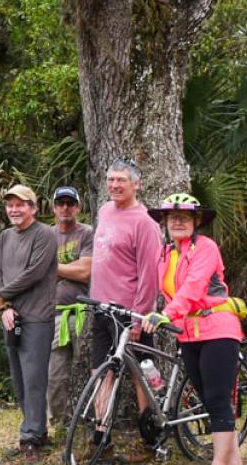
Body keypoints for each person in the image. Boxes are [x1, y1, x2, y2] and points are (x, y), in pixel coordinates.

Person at [143, 194, 242, 465]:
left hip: (218, 329)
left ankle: (218, 462)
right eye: (172, 217)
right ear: (163, 222)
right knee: (211, 404)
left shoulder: (206, 247)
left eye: (184, 217)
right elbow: (164, 292)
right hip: (187, 334)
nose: (177, 221)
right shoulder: (165, 253)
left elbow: (193, 288)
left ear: (196, 221)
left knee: (218, 400)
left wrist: (165, 315)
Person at [89, 159, 165, 428]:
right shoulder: (105, 210)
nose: (114, 185)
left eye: (121, 180)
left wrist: (138, 318)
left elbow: (149, 276)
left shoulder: (145, 223)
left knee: (141, 370)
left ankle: (150, 425)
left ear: (136, 184)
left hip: (130, 311)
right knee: (101, 370)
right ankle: (101, 427)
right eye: (111, 179)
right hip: (101, 308)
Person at [0, 185, 59, 461]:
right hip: (11, 316)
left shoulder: (45, 234)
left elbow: (34, 272)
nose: (14, 209)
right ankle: (33, 431)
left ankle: (32, 437)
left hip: (37, 317)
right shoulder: (5, 237)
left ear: (33, 207)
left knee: (34, 379)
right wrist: (4, 305)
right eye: (10, 205)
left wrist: (2, 295)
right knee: (18, 379)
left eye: (21, 204)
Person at [47, 186, 94, 428]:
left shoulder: (87, 233)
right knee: (55, 375)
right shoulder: (45, 235)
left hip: (83, 312)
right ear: (53, 207)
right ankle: (60, 425)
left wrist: (51, 268)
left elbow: (86, 272)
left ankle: (91, 422)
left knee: (87, 369)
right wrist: (70, 269)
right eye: (60, 203)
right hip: (53, 315)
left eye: (70, 203)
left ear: (77, 207)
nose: (65, 208)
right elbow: (34, 274)